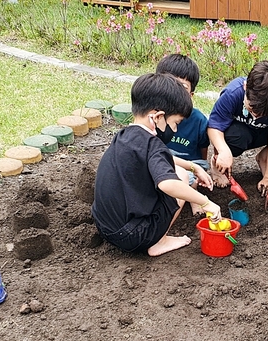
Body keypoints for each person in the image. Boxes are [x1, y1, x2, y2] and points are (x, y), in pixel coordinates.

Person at [92, 73, 221, 257]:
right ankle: (159, 241)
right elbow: (167, 183)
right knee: (180, 177)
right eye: (175, 123)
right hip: (134, 237)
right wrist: (206, 202)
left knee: (180, 170)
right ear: (158, 117)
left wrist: (194, 166)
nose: (175, 129)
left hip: (105, 227)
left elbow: (162, 158)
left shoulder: (125, 136)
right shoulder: (153, 145)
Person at [206, 60, 268, 193]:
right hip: (239, 133)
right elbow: (214, 126)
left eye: (264, 113)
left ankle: (263, 158)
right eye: (251, 108)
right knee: (234, 136)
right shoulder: (233, 93)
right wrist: (223, 151)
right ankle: (218, 165)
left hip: (263, 131)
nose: (256, 115)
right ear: (245, 86)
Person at [156, 53, 211, 215]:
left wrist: (200, 168)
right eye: (170, 84)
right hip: (163, 161)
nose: (175, 92)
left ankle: (194, 198)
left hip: (190, 163)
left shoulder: (199, 120)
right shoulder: (155, 116)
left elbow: (202, 150)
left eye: (182, 87)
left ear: (191, 95)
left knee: (192, 174)